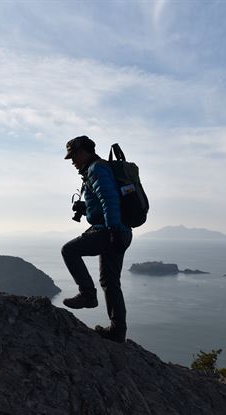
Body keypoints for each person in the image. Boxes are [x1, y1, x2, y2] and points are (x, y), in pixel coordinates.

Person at [61, 135, 133, 343]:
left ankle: (87, 295)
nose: (72, 161)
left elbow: (109, 199)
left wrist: (111, 229)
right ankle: (117, 331)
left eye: (73, 156)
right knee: (110, 282)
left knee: (69, 250)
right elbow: (103, 202)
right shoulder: (98, 169)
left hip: (110, 231)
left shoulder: (96, 169)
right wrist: (85, 209)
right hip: (121, 231)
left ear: (83, 152)